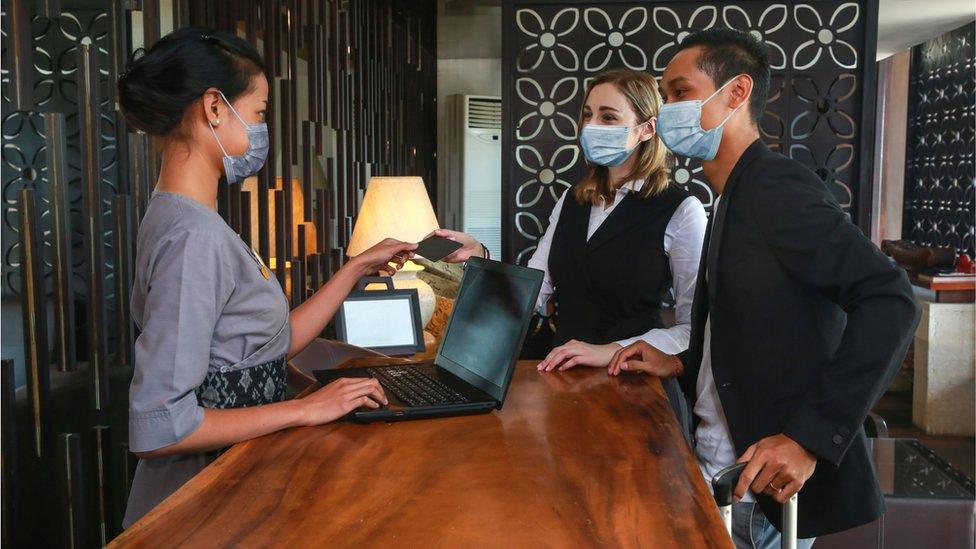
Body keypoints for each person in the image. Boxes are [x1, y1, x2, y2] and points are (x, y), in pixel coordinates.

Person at [608, 29, 919, 548]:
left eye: (681, 92)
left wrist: (809, 438)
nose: (667, 111)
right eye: (665, 97)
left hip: (758, 498)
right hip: (720, 476)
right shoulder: (730, 193)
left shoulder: (775, 186)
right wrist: (682, 359)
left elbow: (890, 299)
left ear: (736, 92)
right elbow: (761, 321)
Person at [117, 27, 416, 526]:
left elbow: (261, 348)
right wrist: (306, 409)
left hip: (236, 487)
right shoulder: (193, 237)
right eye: (258, 113)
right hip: (202, 506)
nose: (261, 130)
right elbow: (161, 426)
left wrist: (355, 269)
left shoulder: (184, 218)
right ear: (214, 107)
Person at [435, 69, 707, 377]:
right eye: (588, 115)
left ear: (646, 129)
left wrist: (612, 350)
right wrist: (481, 256)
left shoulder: (682, 210)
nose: (591, 126)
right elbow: (534, 292)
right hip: (562, 372)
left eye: (608, 117)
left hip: (632, 379)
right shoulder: (572, 200)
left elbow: (692, 327)